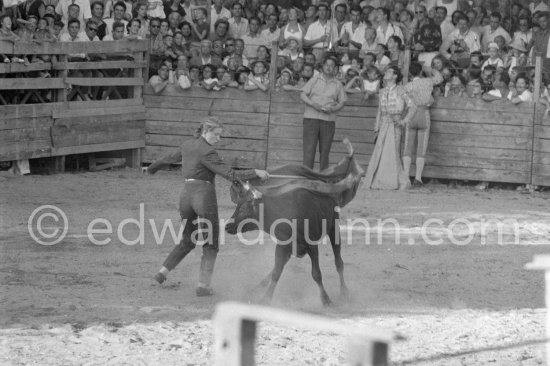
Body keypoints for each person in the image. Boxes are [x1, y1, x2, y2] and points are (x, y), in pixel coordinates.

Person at [148, 116, 269, 296]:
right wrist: (256, 173)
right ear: (206, 131)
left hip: (186, 197)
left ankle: (162, 273)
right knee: (211, 242)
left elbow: (168, 158)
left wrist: (152, 168)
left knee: (188, 239)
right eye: (217, 135)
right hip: (203, 197)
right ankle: (203, 286)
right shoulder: (208, 152)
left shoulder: (188, 145)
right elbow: (229, 174)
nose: (218, 139)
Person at [365, 65, 417, 190]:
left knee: (394, 153)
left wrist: (404, 121)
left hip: (395, 124)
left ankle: (399, 181)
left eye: (389, 72)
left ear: (395, 76)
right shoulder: (382, 91)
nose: (386, 73)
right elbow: (379, 111)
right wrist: (376, 128)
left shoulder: (400, 90)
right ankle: (381, 180)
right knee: (380, 152)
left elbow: (413, 106)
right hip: (383, 124)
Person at [300, 56, 346, 171]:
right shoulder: (315, 79)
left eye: (332, 66)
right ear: (322, 66)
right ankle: (307, 174)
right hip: (311, 118)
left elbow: (342, 102)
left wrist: (333, 109)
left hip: (328, 120)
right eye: (327, 65)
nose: (329, 68)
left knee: (325, 150)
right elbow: (302, 94)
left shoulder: (338, 84)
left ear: (335, 68)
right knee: (309, 148)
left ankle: (324, 175)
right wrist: (312, 104)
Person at [403, 62, 443, 187]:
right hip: (424, 114)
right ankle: (418, 178)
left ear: (409, 74)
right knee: (421, 148)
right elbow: (440, 78)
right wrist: (430, 69)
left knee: (407, 147)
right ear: (421, 72)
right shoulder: (427, 82)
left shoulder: (407, 86)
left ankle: (405, 178)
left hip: (411, 115)